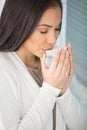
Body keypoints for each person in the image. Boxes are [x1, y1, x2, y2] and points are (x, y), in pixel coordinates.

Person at [0, 0, 87, 130]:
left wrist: (63, 91)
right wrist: (51, 89)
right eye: (44, 31)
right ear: (19, 25)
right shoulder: (4, 68)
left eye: (57, 28)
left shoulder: (57, 58)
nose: (53, 39)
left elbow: (82, 125)